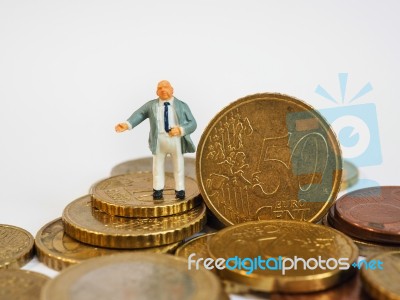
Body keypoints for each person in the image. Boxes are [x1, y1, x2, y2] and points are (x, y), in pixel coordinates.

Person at [115, 80, 197, 200]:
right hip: (159, 140)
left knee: (178, 165)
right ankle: (157, 190)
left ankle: (180, 190)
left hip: (176, 140)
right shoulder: (151, 105)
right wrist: (127, 124)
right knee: (157, 166)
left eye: (166, 87)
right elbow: (140, 114)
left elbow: (193, 123)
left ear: (172, 89)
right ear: (156, 92)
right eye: (160, 88)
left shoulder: (182, 106)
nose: (163, 90)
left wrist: (180, 130)